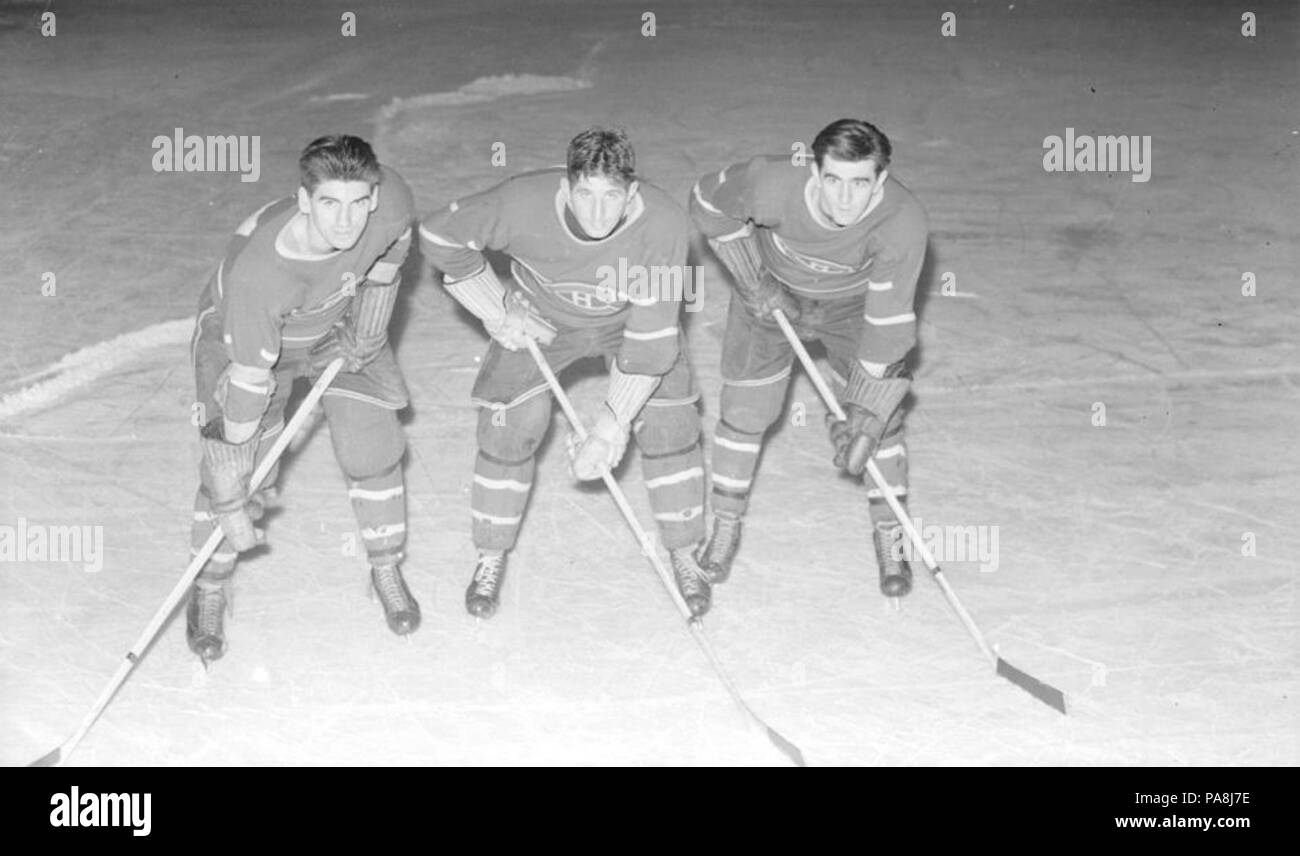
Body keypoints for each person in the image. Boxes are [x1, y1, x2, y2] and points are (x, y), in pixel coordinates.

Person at [420, 127, 711, 618]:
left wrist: (610, 426)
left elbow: (649, 341)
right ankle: (490, 554)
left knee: (669, 423)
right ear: (565, 186)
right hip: (543, 318)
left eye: (612, 196)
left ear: (632, 193)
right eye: (584, 194)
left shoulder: (665, 226)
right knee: (510, 427)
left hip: (628, 323)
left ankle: (684, 552)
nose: (597, 212)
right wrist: (497, 307)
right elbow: (437, 236)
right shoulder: (520, 202)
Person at [186, 135, 418, 662]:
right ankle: (209, 586)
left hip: (333, 329)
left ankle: (385, 565)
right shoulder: (260, 278)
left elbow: (392, 246)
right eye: (330, 204)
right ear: (304, 199)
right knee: (246, 475)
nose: (346, 221)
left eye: (359, 202)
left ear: (374, 196)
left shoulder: (391, 200)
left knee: (373, 447)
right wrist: (233, 482)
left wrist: (372, 316)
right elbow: (248, 383)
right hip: (243, 350)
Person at [688, 119, 928, 599]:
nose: (845, 199)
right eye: (833, 180)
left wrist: (866, 407)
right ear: (814, 173)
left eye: (860, 183)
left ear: (880, 181)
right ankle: (726, 524)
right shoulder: (771, 185)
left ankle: (889, 532)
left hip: (853, 310)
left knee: (878, 427)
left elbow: (888, 324)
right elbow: (706, 203)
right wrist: (753, 278)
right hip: (771, 299)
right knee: (744, 413)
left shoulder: (902, 222)